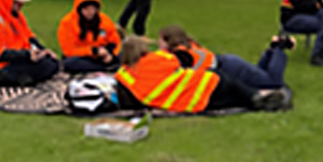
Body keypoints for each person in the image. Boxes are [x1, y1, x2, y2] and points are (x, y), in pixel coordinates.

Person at [114, 37, 286, 113]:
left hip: (187, 97)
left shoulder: (123, 75)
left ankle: (259, 98)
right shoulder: (157, 58)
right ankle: (258, 97)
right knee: (237, 88)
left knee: (230, 97)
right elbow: (177, 61)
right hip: (204, 83)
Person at [158, 25, 291, 90]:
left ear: (170, 40)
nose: (158, 44)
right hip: (228, 64)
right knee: (259, 76)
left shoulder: (182, 54)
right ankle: (271, 50)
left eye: (161, 41)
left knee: (273, 83)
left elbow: (176, 67)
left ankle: (279, 48)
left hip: (230, 69)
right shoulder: (187, 46)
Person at [57, 0, 122, 73]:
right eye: (86, 9)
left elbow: (115, 40)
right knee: (70, 63)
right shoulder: (67, 23)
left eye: (93, 9)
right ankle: (105, 68)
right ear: (79, 9)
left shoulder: (104, 20)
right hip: (82, 57)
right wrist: (93, 51)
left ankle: (106, 65)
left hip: (103, 55)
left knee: (127, 55)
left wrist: (110, 54)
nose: (90, 12)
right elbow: (69, 50)